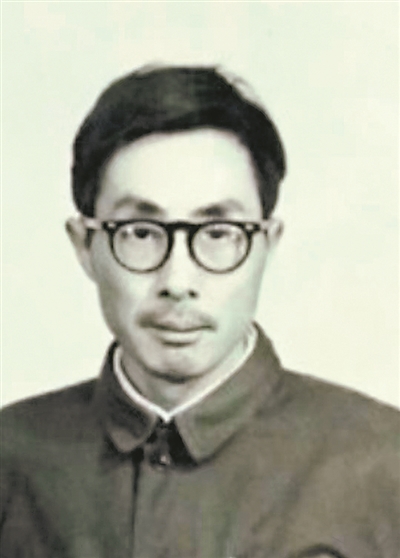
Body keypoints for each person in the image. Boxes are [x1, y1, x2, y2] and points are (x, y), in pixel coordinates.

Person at [1, 65, 399, 558]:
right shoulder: (11, 457)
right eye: (141, 233)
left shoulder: (383, 465)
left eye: (217, 234)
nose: (178, 282)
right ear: (85, 245)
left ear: (267, 245)